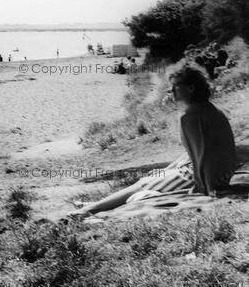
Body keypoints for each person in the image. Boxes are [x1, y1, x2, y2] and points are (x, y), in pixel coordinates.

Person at [69, 66, 236, 218]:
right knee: (154, 175)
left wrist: (207, 190)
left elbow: (203, 156)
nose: (171, 91)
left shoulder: (190, 116)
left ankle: (87, 211)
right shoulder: (208, 109)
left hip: (211, 178)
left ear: (191, 88)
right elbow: (199, 152)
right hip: (223, 174)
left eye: (175, 87)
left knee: (143, 184)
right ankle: (95, 205)